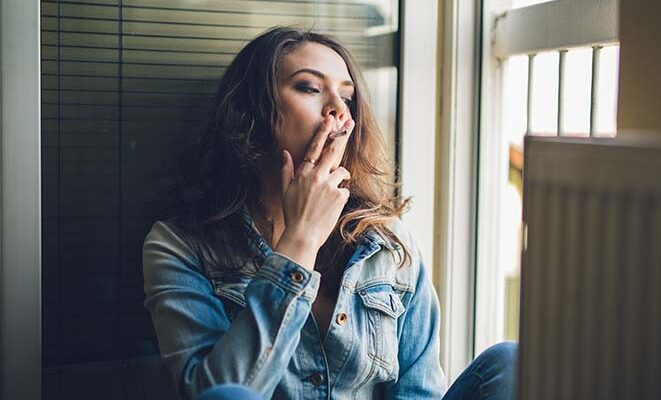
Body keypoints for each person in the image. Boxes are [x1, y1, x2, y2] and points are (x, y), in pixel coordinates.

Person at [142, 26, 516, 400]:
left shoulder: (386, 241)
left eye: (348, 96)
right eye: (309, 87)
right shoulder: (179, 246)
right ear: (252, 110)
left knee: (510, 363)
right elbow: (216, 393)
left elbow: (418, 391)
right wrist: (299, 241)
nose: (338, 109)